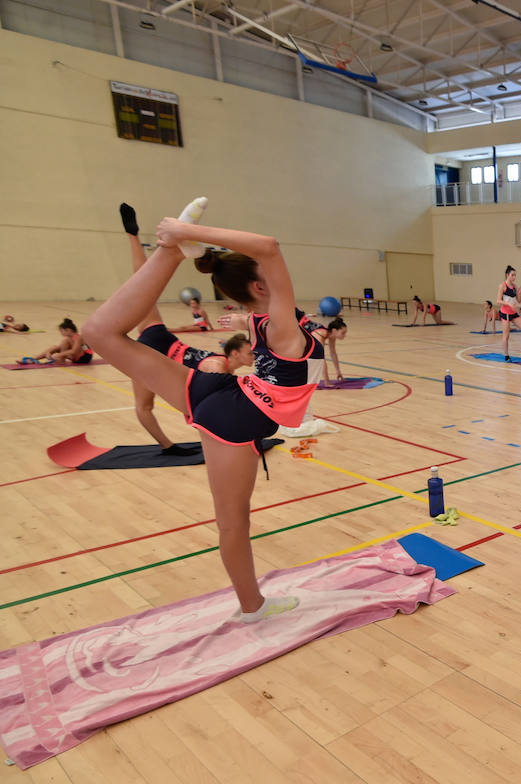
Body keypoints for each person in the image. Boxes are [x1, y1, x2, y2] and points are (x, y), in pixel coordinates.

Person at [81, 200, 317, 621]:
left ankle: (167, 254)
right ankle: (252, 608)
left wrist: (180, 241)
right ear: (260, 288)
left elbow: (263, 272)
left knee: (100, 332)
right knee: (232, 524)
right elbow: (269, 246)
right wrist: (184, 232)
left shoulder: (261, 320)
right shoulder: (278, 323)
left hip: (220, 391)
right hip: (234, 419)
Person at [122, 204, 251, 454]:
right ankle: (168, 446)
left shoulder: (222, 363)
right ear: (235, 354)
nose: (253, 355)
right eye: (250, 352)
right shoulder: (218, 366)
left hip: (160, 340)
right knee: (144, 406)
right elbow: (201, 393)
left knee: (143, 285)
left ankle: (134, 237)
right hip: (156, 353)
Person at [496, 265, 521, 363]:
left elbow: (519, 301)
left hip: (514, 313)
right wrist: (508, 304)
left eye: (515, 275)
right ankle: (506, 355)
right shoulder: (502, 285)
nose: (514, 277)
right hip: (505, 313)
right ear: (507, 275)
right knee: (506, 336)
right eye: (512, 275)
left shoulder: (515, 286)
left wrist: (519, 293)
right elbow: (498, 300)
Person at [29, 319, 93, 364]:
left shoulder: (78, 337)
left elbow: (74, 351)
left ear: (68, 330)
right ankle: (33, 359)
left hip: (84, 358)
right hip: (78, 355)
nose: (61, 333)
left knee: (65, 340)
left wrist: (57, 355)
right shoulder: (71, 338)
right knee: (54, 347)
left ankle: (60, 359)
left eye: (61, 331)